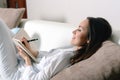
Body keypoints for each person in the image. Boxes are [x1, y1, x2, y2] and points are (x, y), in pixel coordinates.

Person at [0, 17, 112, 80]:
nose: (73, 31)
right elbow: (44, 59)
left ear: (89, 39)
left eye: (79, 30)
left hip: (17, 74)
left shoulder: (66, 57)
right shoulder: (70, 50)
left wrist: (27, 60)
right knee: (13, 32)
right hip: (22, 64)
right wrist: (31, 51)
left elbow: (37, 79)